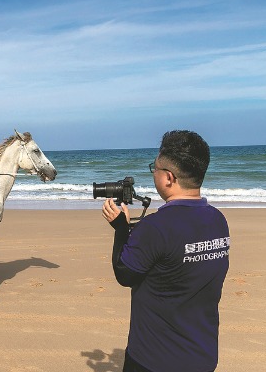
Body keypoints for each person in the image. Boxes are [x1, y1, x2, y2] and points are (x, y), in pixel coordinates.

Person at [101, 130, 230, 372]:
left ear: (168, 177)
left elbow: (125, 274)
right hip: (202, 355)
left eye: (155, 169)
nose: (153, 174)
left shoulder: (156, 227)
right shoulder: (218, 220)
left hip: (153, 359)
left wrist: (120, 228)